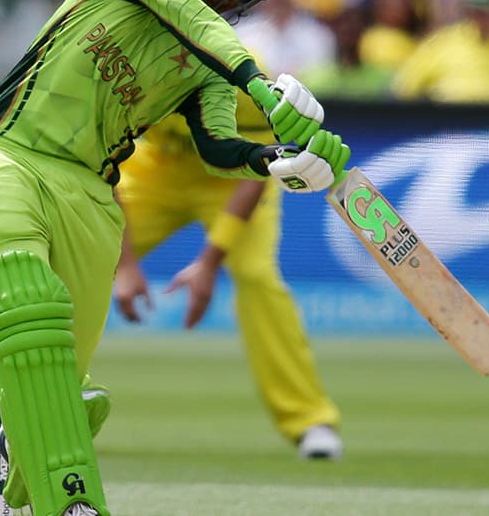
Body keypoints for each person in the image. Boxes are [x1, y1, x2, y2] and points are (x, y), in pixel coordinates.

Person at [0, 0, 349, 516]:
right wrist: (263, 86)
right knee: (28, 303)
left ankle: (23, 478)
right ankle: (73, 504)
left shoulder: (211, 68)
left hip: (93, 197)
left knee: (53, 383)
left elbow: (216, 146)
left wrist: (275, 161)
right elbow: (187, 15)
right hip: (8, 153)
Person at [112, 88, 344, 459]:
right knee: (84, 252)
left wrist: (209, 261)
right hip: (157, 171)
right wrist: (121, 264)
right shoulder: (132, 68)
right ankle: (34, 404)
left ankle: (310, 421)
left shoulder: (247, 80)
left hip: (234, 179)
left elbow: (258, 172)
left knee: (255, 275)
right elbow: (103, 164)